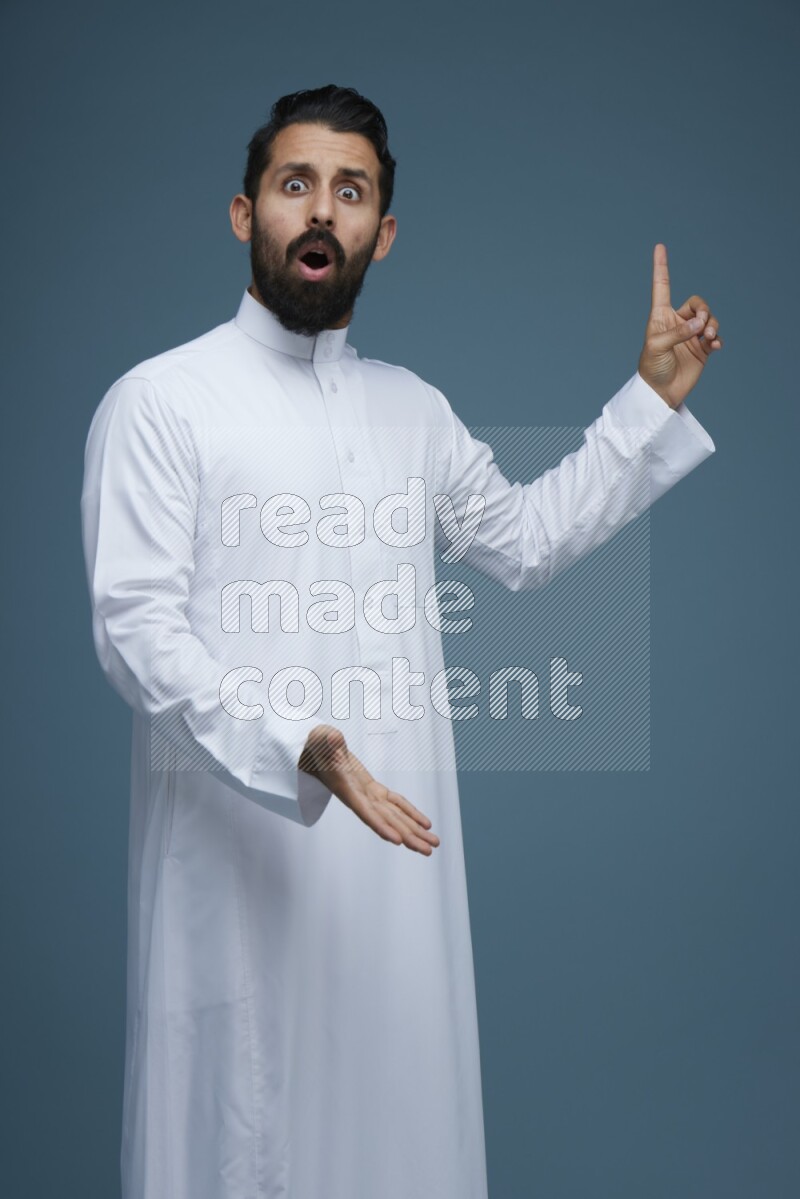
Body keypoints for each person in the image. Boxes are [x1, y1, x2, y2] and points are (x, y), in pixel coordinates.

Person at [80, 84, 722, 1199]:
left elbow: (523, 539)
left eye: (350, 190)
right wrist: (299, 743)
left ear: (383, 230)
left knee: (398, 1146)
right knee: (242, 1141)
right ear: (244, 214)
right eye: (295, 185)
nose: (320, 211)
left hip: (396, 885)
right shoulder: (161, 401)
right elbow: (135, 627)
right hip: (237, 865)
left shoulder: (410, 410)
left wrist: (647, 403)